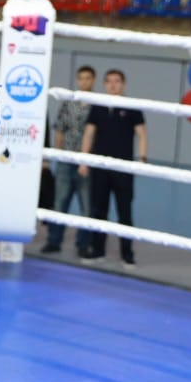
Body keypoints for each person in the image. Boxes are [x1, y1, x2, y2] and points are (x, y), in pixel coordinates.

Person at [78, 68, 147, 266]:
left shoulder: (132, 106)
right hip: (100, 166)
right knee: (98, 210)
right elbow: (89, 134)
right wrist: (83, 159)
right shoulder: (98, 106)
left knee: (125, 212)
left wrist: (142, 159)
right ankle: (97, 250)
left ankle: (127, 253)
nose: (113, 85)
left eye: (117, 81)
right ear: (104, 84)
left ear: (123, 84)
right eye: (109, 81)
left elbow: (142, 134)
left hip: (123, 168)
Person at [41, 64, 94, 254]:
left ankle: (83, 245)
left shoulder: (98, 104)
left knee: (87, 206)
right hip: (66, 159)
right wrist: (58, 154)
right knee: (59, 203)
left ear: (93, 80)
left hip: (87, 162)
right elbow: (59, 130)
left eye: (87, 78)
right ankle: (53, 241)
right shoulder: (68, 102)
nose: (84, 82)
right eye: (81, 78)